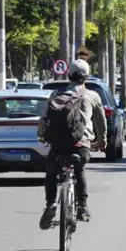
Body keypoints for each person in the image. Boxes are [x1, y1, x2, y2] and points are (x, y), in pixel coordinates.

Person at [37, 59, 107, 230]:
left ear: (68, 75)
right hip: (81, 144)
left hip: (58, 145)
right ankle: (82, 207)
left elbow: (44, 119)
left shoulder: (55, 95)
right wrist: (102, 140)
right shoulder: (92, 96)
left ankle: (51, 204)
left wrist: (43, 136)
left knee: (52, 173)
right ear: (87, 77)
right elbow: (100, 121)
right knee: (80, 169)